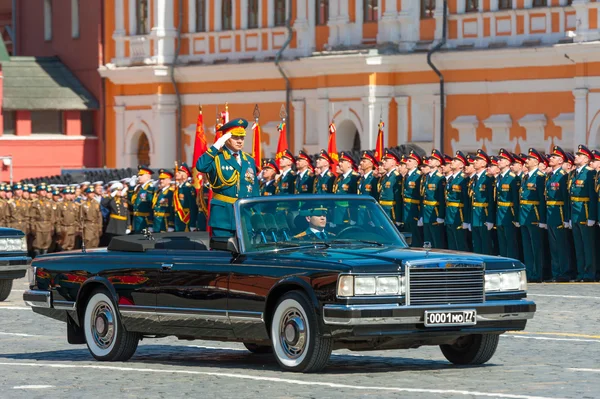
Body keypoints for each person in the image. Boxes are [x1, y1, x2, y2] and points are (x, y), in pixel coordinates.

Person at [196, 118, 259, 237]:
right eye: (235, 137)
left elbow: (254, 189)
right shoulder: (217, 158)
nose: (240, 141)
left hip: (244, 216)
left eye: (242, 137)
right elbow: (201, 166)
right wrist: (217, 144)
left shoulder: (249, 160)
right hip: (223, 217)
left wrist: (257, 215)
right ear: (226, 138)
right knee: (223, 253)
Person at [569, 145, 597, 282]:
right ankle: (581, 272)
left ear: (586, 159)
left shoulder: (590, 173)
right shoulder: (574, 173)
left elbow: (592, 196)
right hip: (575, 212)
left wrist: (592, 216)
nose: (576, 157)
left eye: (579, 155)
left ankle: (590, 273)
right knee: (578, 245)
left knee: (588, 245)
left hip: (584, 212)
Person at [519, 148, 547, 283]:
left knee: (536, 246)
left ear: (536, 161)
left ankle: (538, 273)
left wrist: (542, 219)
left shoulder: (540, 177)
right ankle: (530, 272)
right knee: (527, 246)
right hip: (524, 215)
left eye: (529, 159)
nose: (526, 160)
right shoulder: (526, 176)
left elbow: (542, 199)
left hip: (534, 214)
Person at [545, 146, 572, 282]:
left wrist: (567, 218)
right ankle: (556, 272)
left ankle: (564, 272)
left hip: (559, 212)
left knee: (561, 244)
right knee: (553, 246)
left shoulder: (563, 176)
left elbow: (566, 199)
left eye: (554, 157)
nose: (551, 158)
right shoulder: (551, 175)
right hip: (550, 212)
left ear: (561, 160)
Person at [495, 149, 521, 260]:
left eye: (501, 160)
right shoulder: (499, 178)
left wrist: (516, 217)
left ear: (507, 162)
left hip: (508, 214)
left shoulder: (512, 178)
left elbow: (515, 199)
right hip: (500, 214)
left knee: (510, 242)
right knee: (502, 242)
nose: (498, 161)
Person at [470, 149, 496, 255]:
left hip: (484, 216)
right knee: (477, 245)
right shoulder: (475, 179)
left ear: (484, 163)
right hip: (475, 216)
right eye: (475, 160)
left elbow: (491, 200)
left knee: (486, 246)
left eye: (477, 160)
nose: (474, 162)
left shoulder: (488, 179)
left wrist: (490, 219)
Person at [445, 151, 470, 251]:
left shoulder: (463, 179)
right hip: (449, 213)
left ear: (461, 165)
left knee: (460, 243)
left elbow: (466, 200)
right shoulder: (450, 179)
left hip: (458, 214)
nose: (452, 162)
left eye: (455, 161)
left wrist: (466, 220)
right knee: (452, 243)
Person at [421, 149, 447, 249]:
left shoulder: (440, 178)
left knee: (437, 241)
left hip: (434, 213)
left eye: (433, 159)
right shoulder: (426, 177)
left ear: (438, 163)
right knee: (427, 242)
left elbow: (441, 198)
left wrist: (440, 215)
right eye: (430, 158)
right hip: (426, 213)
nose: (430, 160)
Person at [402, 150, 424, 247]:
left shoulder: (418, 176)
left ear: (416, 164)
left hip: (414, 209)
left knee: (416, 236)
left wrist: (420, 214)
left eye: (410, 161)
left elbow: (421, 195)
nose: (407, 162)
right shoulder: (406, 176)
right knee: (409, 236)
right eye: (407, 160)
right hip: (407, 209)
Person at [29, 184, 54, 257]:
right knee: (37, 244)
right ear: (38, 192)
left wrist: (52, 226)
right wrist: (33, 227)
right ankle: (38, 259)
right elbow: (32, 217)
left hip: (47, 225)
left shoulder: (49, 203)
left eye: (45, 191)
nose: (44, 192)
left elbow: (52, 216)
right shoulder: (35, 203)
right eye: (42, 190)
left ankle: (44, 260)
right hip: (38, 225)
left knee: (46, 243)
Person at [173, 162, 198, 232]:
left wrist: (192, 223)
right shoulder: (177, 188)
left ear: (185, 175)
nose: (176, 174)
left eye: (179, 173)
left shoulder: (189, 188)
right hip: (177, 220)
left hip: (186, 220)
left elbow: (193, 207)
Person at [131, 166, 155, 233]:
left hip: (145, 220)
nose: (139, 177)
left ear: (148, 176)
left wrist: (150, 222)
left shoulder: (150, 187)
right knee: (138, 239)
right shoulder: (139, 188)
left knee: (147, 240)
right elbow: (132, 202)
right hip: (137, 219)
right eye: (139, 175)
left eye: (141, 175)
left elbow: (151, 205)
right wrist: (131, 187)